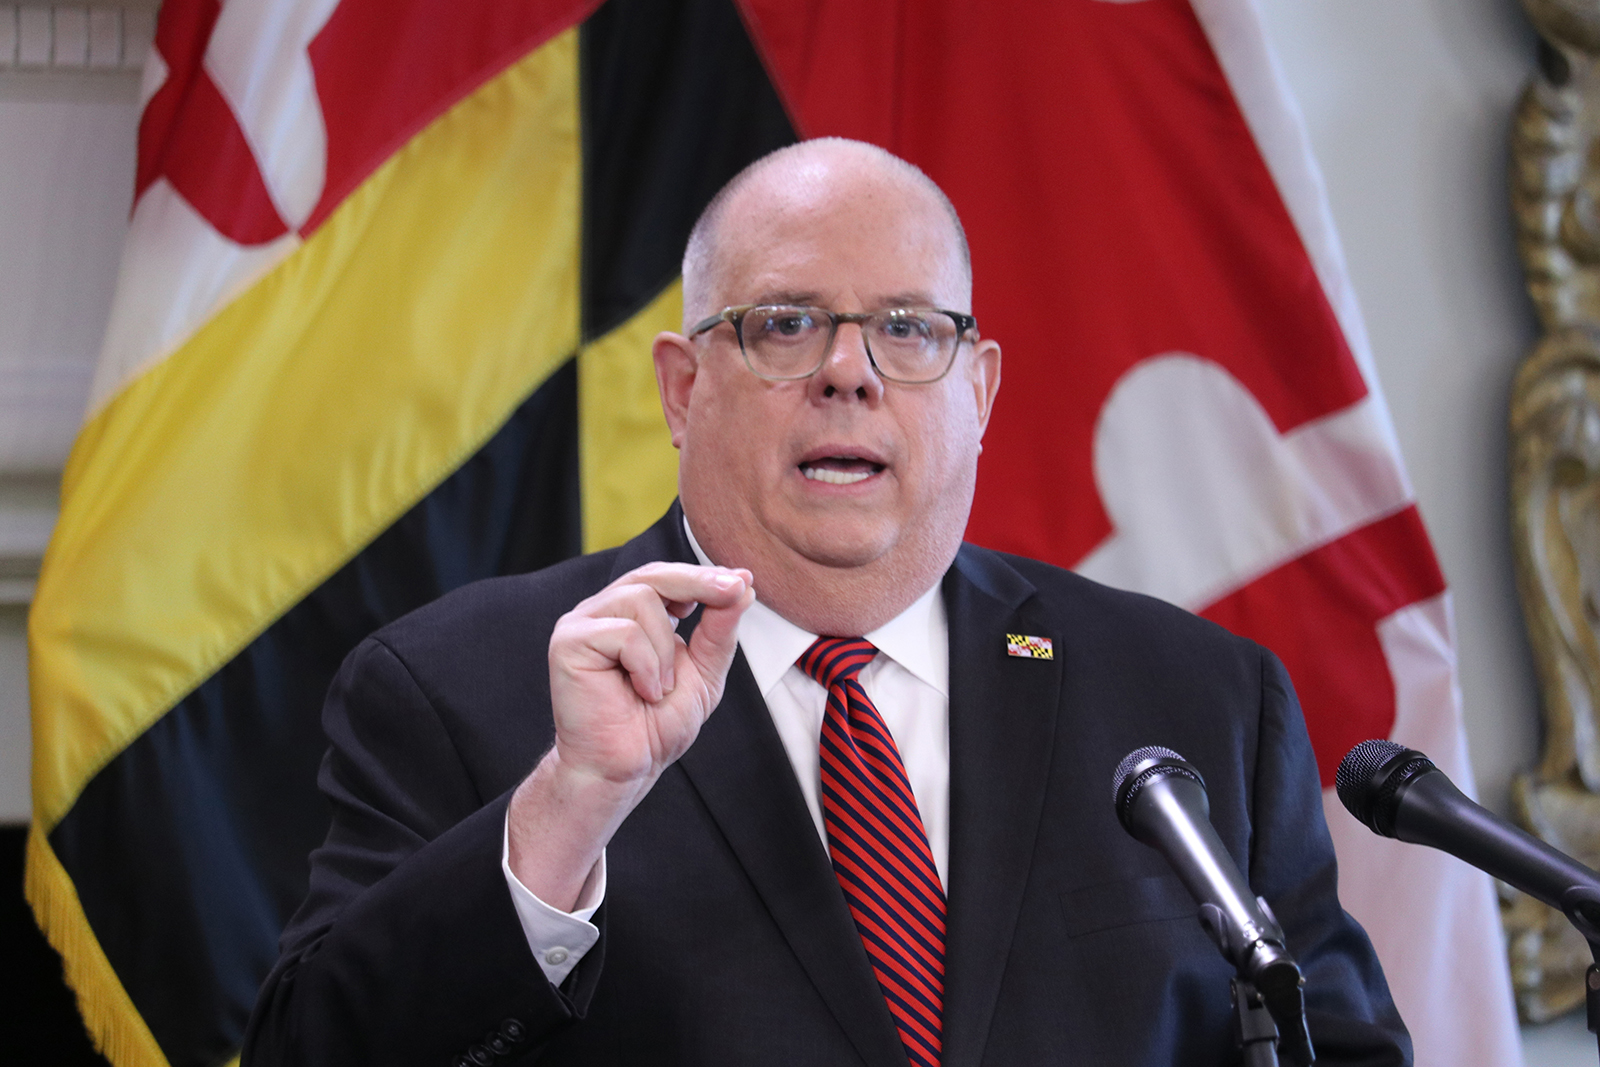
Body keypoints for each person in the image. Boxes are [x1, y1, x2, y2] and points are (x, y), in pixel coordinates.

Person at [244, 138, 1411, 1066]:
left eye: (908, 328)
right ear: (683, 387)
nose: (848, 370)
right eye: (785, 322)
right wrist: (565, 807)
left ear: (979, 389)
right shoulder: (462, 686)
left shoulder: (1191, 698)